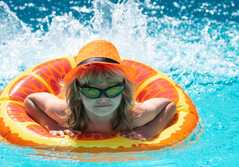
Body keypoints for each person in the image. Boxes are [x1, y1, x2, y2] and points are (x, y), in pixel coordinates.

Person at [24, 40, 176, 141]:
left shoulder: (133, 116)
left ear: (124, 91)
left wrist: (150, 129)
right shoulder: (65, 114)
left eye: (113, 90)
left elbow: (169, 105)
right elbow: (31, 100)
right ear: (77, 93)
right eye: (92, 91)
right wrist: (52, 125)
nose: (103, 98)